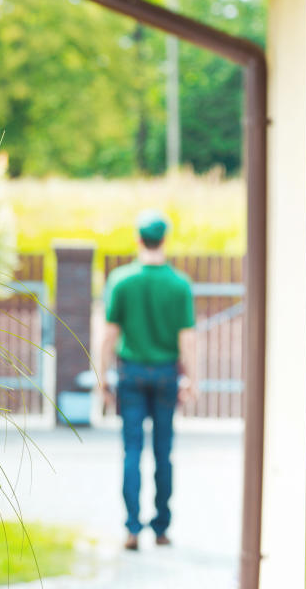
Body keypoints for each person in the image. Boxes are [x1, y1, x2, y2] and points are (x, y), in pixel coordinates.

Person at [97, 209, 198, 551]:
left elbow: (109, 335)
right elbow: (187, 340)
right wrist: (192, 379)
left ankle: (131, 528)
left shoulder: (122, 280)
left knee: (132, 451)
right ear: (164, 240)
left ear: (138, 239)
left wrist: (101, 378)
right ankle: (162, 527)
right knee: (163, 453)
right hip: (167, 374)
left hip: (131, 374)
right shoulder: (180, 284)